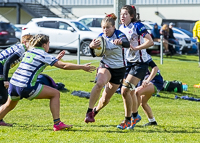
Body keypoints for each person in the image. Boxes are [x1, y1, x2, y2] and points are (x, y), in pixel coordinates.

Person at [0, 34, 96, 131]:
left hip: (14, 84)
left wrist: (56, 59)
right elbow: (63, 66)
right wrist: (82, 67)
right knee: (55, 93)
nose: (49, 46)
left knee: (9, 105)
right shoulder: (43, 55)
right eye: (49, 43)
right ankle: (57, 123)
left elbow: (38, 63)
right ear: (44, 44)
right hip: (25, 85)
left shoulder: (29, 51)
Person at [84, 13, 130, 123]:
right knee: (99, 83)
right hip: (106, 65)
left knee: (105, 99)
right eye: (103, 27)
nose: (105, 30)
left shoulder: (119, 34)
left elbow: (127, 44)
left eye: (108, 27)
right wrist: (91, 47)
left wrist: (121, 42)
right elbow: (95, 54)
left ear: (113, 27)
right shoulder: (100, 37)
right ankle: (89, 112)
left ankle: (95, 111)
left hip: (119, 69)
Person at [117, 5, 154, 130]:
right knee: (130, 92)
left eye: (125, 14)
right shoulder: (121, 28)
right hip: (128, 63)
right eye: (121, 14)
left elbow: (150, 41)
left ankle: (128, 120)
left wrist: (136, 48)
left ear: (131, 16)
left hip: (140, 63)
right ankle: (135, 116)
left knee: (125, 90)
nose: (122, 16)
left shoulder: (137, 26)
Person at [0, 34, 33, 126]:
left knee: (3, 96)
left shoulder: (22, 49)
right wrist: (5, 80)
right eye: (32, 43)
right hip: (0, 67)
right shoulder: (21, 48)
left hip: (1, 68)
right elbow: (7, 62)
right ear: (25, 42)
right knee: (3, 97)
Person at [135, 59, 163, 126]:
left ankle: (133, 116)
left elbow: (155, 68)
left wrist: (148, 80)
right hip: (146, 82)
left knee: (137, 92)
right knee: (143, 102)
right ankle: (152, 121)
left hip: (155, 81)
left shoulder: (145, 58)